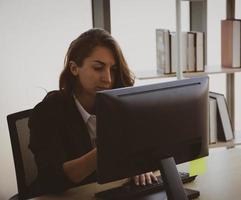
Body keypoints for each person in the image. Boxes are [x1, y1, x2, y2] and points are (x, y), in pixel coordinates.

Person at [28, 28, 157, 195]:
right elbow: (52, 178)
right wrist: (106, 151)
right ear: (74, 68)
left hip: (112, 193)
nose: (108, 78)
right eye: (98, 68)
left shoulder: (121, 105)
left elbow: (147, 152)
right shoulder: (48, 112)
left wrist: (142, 167)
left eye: (113, 69)